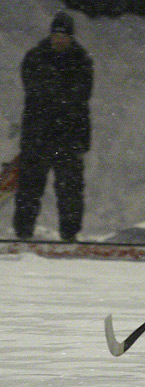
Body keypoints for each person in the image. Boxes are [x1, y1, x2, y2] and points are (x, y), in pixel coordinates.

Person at [13, 11, 93, 242]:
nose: (59, 39)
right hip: (37, 136)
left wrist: (56, 97)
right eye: (56, 35)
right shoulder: (35, 57)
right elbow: (36, 90)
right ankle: (23, 234)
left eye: (63, 36)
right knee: (29, 189)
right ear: (51, 35)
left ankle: (69, 235)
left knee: (70, 192)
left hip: (69, 137)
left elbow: (79, 97)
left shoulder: (81, 61)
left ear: (70, 37)